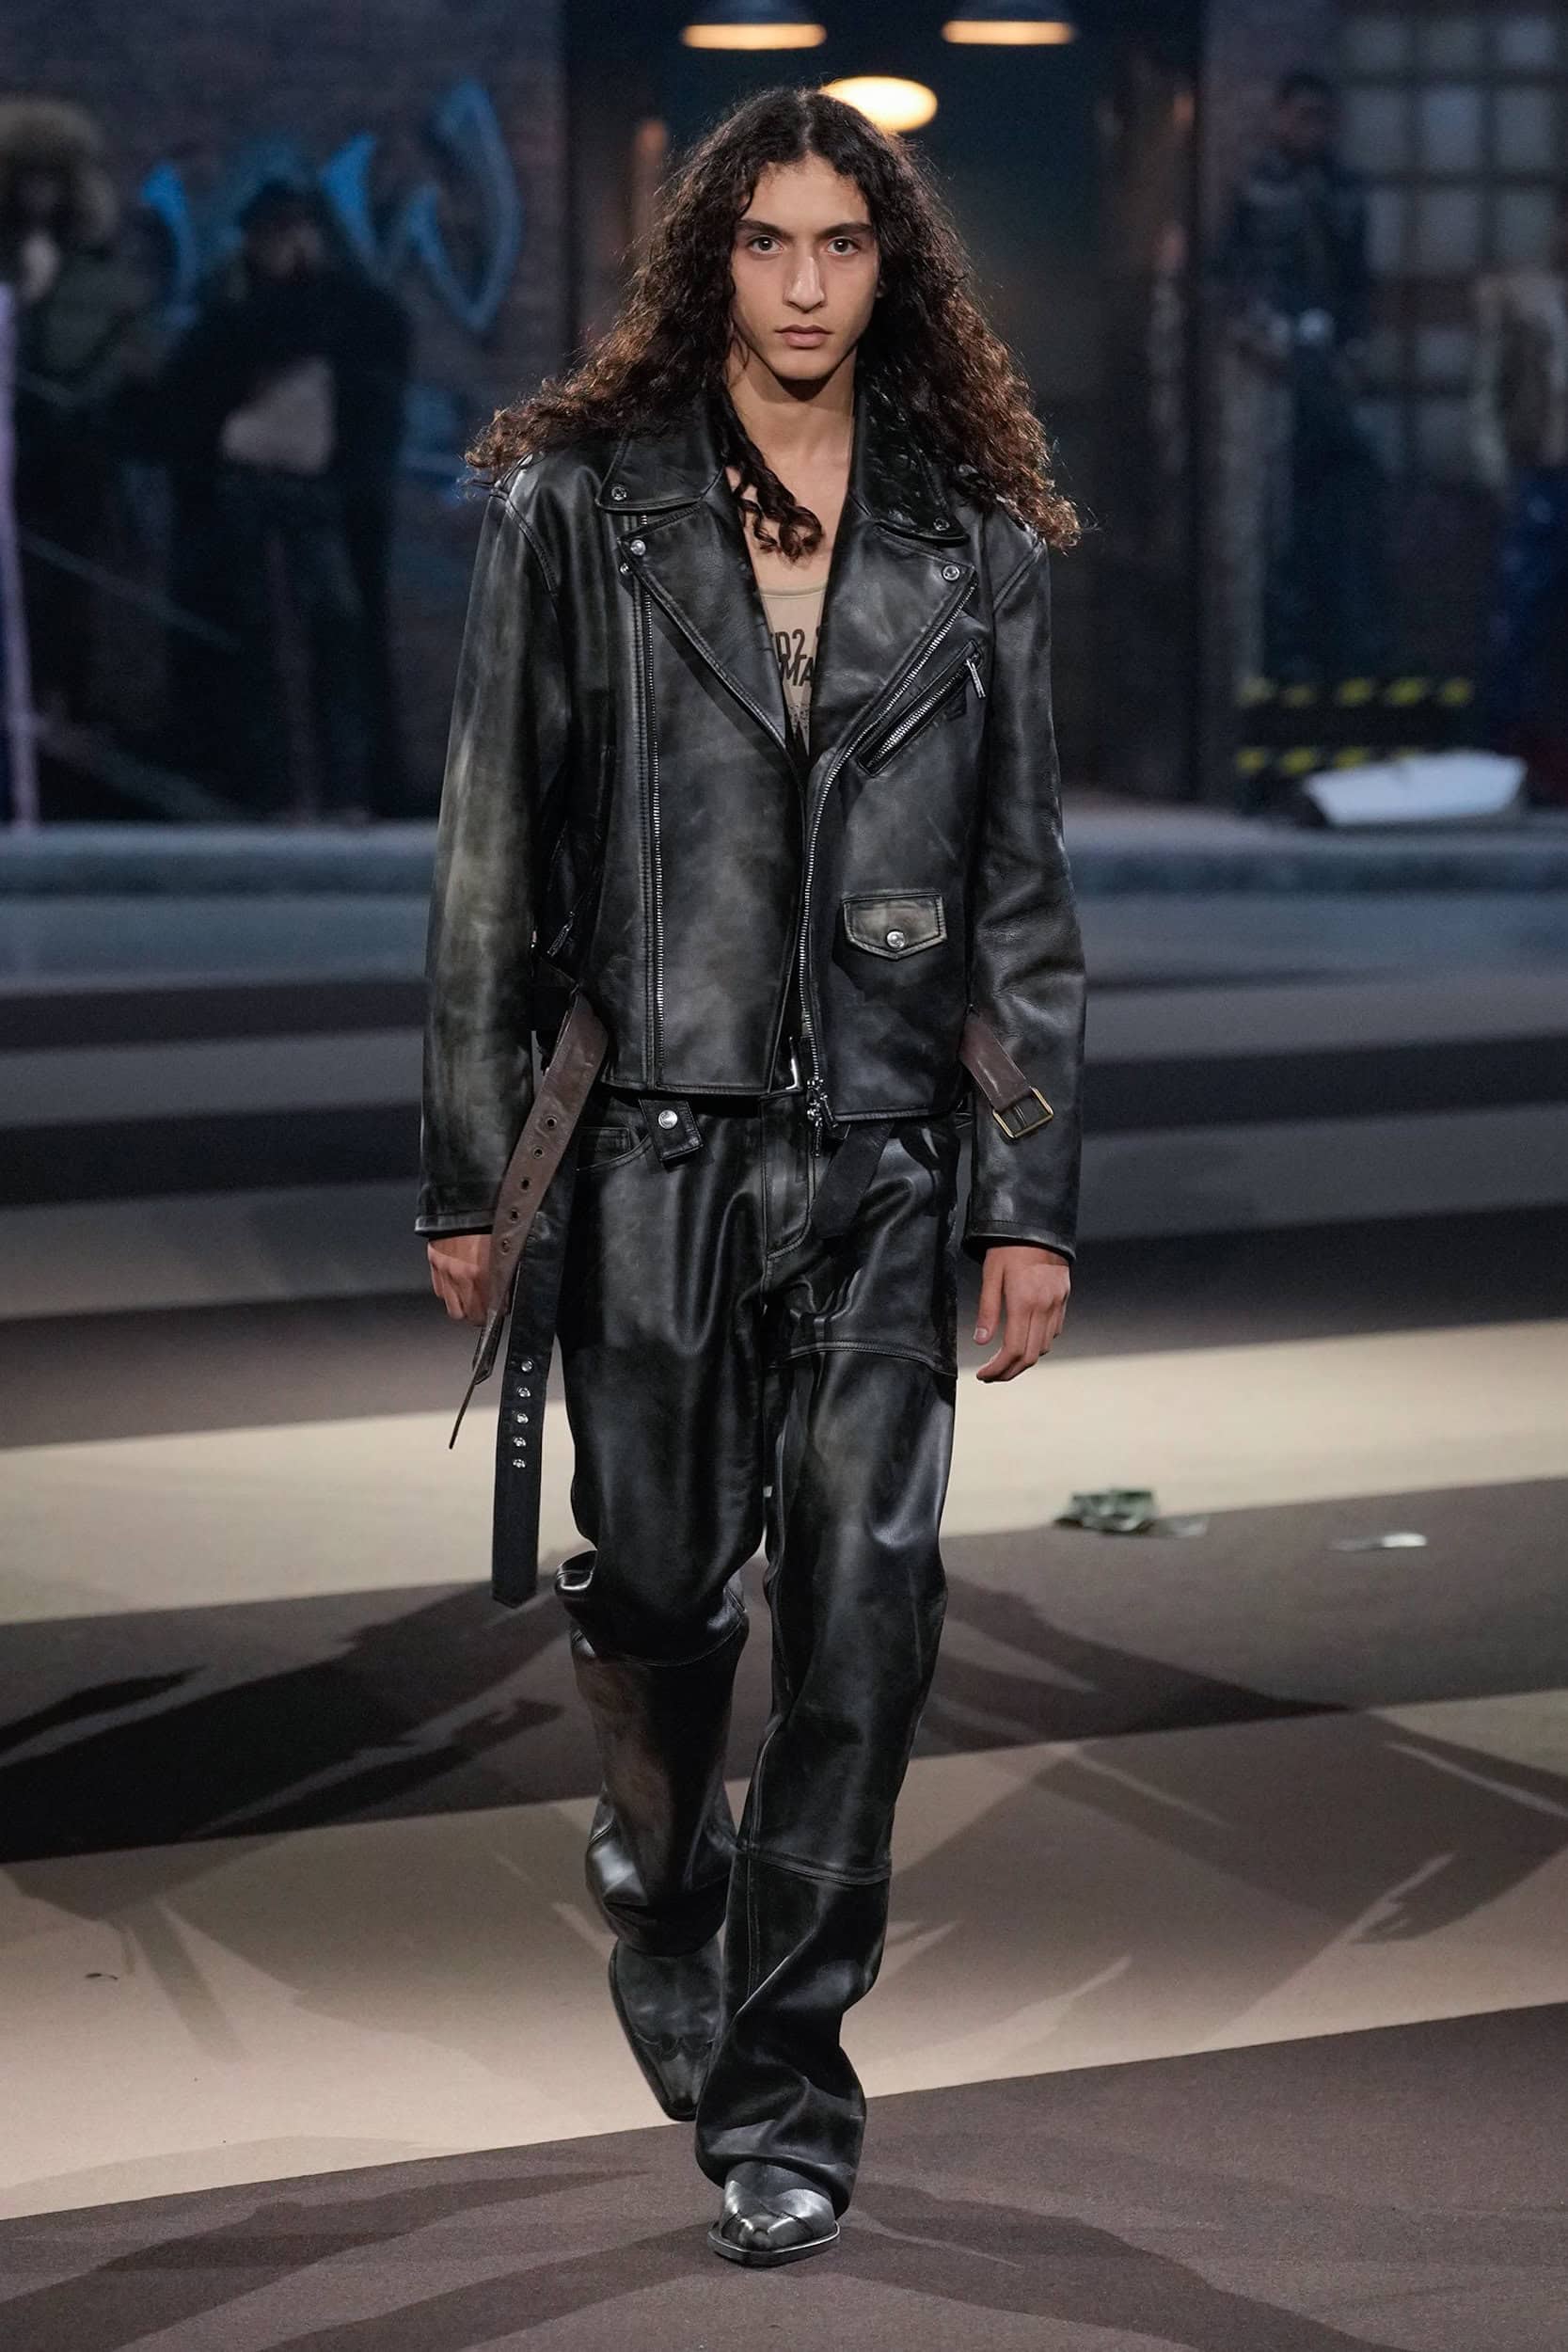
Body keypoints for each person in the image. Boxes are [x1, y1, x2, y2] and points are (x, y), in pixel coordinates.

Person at [418, 87, 1085, 2268]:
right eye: (768, 242)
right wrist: (471, 1175)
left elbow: (1023, 892)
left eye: (842, 244)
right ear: (712, 258)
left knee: (868, 1622)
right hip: (647, 1140)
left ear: (893, 270)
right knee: (658, 1578)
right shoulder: (578, 510)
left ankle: (784, 2078)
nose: (804, 284)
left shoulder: (968, 535)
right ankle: (656, 1860)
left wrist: (1028, 1194)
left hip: (886, 1149)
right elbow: (489, 859)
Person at [163, 181, 407, 820]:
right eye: (272, 233)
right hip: (246, 484)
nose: (284, 245)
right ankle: (278, 788)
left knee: (336, 628)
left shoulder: (344, 306)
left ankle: (346, 788)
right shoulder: (230, 306)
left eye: (294, 231)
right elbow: (198, 380)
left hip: (316, 487)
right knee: (259, 636)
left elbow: (374, 358)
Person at [1220, 69, 1385, 685]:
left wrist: (1355, 349)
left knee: (1341, 501)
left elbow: (1358, 281)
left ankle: (1344, 643)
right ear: (1279, 118)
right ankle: (1280, 651)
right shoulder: (1255, 188)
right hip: (1271, 372)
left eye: (1321, 117)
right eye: (1300, 116)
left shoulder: (1346, 191)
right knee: (1276, 514)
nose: (1310, 129)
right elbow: (1226, 276)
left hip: (1330, 368)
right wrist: (1254, 335)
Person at [0, 99, 157, 739]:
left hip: (71, 454)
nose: (39, 195)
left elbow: (117, 351)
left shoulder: (96, 269)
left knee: (64, 583)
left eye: (50, 181)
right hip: (17, 445)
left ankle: (61, 696)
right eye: (27, 180)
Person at [1472, 185, 1568, 803]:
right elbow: (1487, 390)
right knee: (1519, 624)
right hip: (1542, 474)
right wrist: (1495, 470)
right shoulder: (1522, 296)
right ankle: (1506, 757)